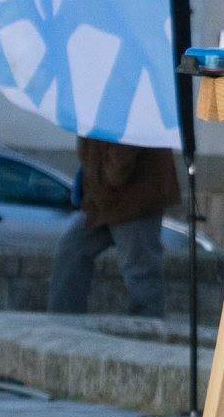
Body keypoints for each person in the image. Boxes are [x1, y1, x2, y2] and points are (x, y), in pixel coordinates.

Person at [47, 136, 179, 319]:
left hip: (133, 199)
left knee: (140, 271)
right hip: (103, 199)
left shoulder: (125, 108)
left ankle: (147, 331)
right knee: (71, 251)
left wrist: (107, 177)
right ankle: (63, 321)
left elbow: (124, 149)